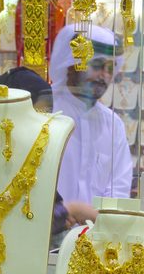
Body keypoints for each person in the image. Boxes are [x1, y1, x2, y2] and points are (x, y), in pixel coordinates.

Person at [0, 66, 95, 245]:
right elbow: (10, 222)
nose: (46, 125)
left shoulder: (28, 157)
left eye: (48, 114)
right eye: (38, 115)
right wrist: (69, 210)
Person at [49, 24, 133, 217]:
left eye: (110, 68)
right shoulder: (44, 110)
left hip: (95, 237)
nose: (104, 75)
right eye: (96, 65)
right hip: (46, 236)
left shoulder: (113, 125)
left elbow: (118, 188)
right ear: (71, 64)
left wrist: (103, 222)